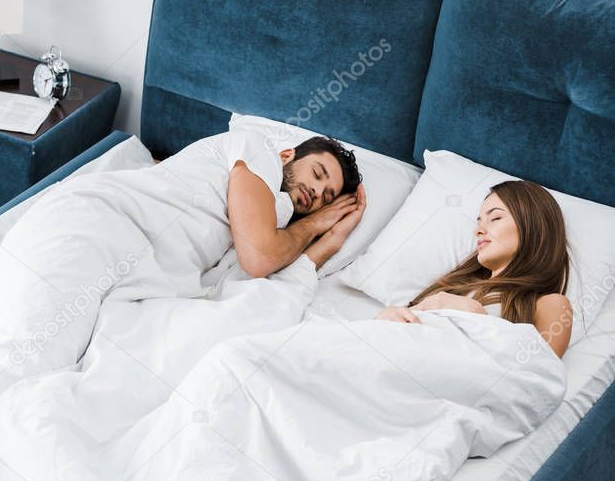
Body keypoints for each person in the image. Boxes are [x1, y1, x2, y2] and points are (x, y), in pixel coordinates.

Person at [375, 180, 573, 358]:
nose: (478, 230)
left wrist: (476, 317)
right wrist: (384, 318)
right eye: (478, 221)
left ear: (534, 227)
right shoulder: (454, 287)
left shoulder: (551, 304)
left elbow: (537, 379)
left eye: (495, 218)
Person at [228, 134, 365, 277]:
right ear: (286, 156)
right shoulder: (257, 150)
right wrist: (313, 223)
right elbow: (259, 260)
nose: (317, 192)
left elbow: (266, 292)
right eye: (316, 173)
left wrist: (333, 237)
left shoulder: (277, 230)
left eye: (326, 197)